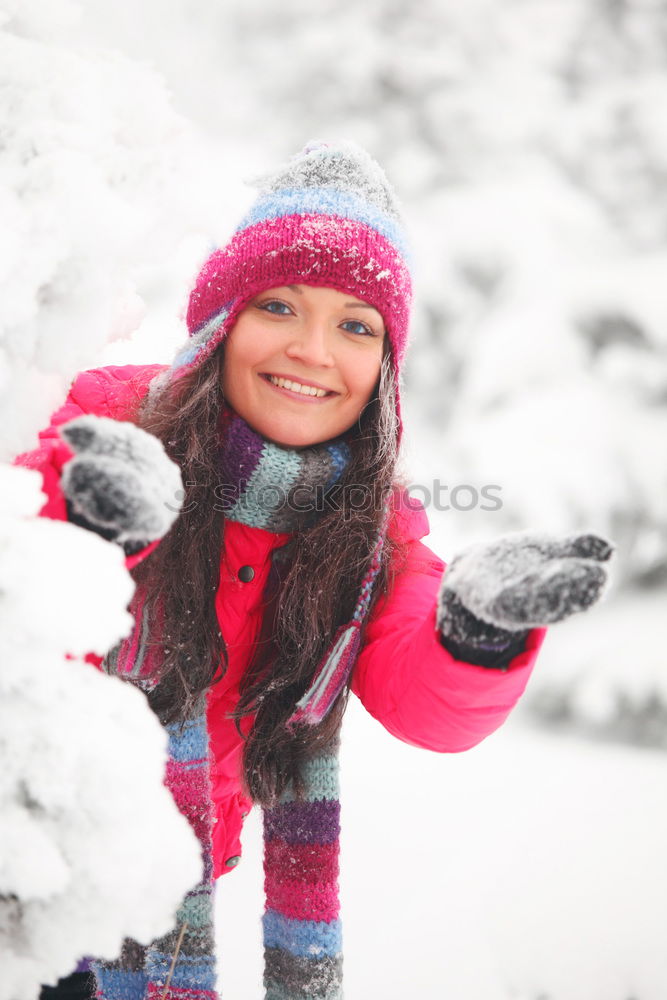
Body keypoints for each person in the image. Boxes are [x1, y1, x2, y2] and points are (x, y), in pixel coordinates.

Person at [19, 140, 613, 1000]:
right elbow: (21, 577)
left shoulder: (376, 529)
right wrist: (91, 517)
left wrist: (476, 633)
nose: (311, 350)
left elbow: (423, 698)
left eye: (354, 325)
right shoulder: (112, 421)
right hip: (34, 859)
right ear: (221, 320)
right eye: (278, 306)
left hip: (163, 887)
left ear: (383, 368)